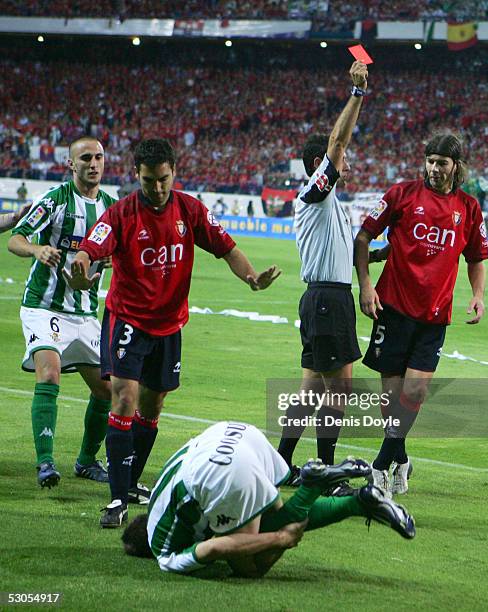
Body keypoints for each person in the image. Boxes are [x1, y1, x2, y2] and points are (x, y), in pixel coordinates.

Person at [65, 138, 282, 527]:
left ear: (174, 172)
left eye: (163, 179)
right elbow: (89, 249)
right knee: (124, 398)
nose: (158, 188)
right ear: (137, 175)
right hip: (128, 320)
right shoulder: (121, 214)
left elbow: (227, 248)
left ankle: (130, 483)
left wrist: (251, 277)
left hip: (169, 325)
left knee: (153, 405)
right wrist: (81, 267)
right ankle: (116, 501)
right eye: (149, 181)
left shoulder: (190, 209)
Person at [354, 133, 488, 497]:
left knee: (415, 390)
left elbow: (475, 257)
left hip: (434, 315)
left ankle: (380, 465)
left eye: (441, 163)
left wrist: (478, 295)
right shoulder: (402, 194)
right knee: (390, 396)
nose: (433, 168)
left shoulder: (469, 208)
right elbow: (363, 237)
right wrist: (366, 286)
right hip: (393, 308)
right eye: (429, 160)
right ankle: (401, 456)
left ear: (456, 167)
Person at [276, 61, 387, 488]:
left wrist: (378, 255)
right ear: (321, 165)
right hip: (327, 300)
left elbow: (337, 253)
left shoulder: (328, 204)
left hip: (324, 297)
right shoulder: (316, 194)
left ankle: (282, 463)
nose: (346, 161)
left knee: (309, 393)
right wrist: (357, 95)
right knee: (338, 391)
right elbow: (338, 141)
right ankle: (324, 469)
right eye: (337, 160)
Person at [121, 421, 415, 576]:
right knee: (270, 520)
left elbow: (213, 548)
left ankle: (314, 488)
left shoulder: (165, 552)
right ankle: (359, 500)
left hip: (223, 471)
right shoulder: (161, 500)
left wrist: (279, 541)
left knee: (248, 565)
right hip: (234, 435)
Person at [7, 137, 116, 488]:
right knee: (50, 374)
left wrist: (115, 261)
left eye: (99, 157)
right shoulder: (55, 200)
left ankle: (86, 462)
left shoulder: (112, 209)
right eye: (86, 158)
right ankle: (45, 463)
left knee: (107, 390)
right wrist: (37, 249)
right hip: (43, 305)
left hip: (85, 313)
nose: (94, 163)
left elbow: (122, 253)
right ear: (71, 164)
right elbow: (15, 238)